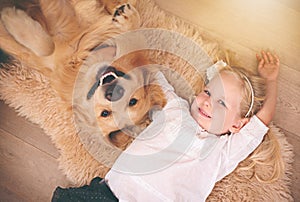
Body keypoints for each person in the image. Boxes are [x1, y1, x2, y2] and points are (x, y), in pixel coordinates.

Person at [52, 51, 280, 201]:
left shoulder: (222, 153)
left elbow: (261, 123)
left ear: (238, 124)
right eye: (208, 92)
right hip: (110, 194)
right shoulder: (176, 109)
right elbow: (152, 73)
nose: (208, 101)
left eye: (221, 103)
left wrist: (270, 81)